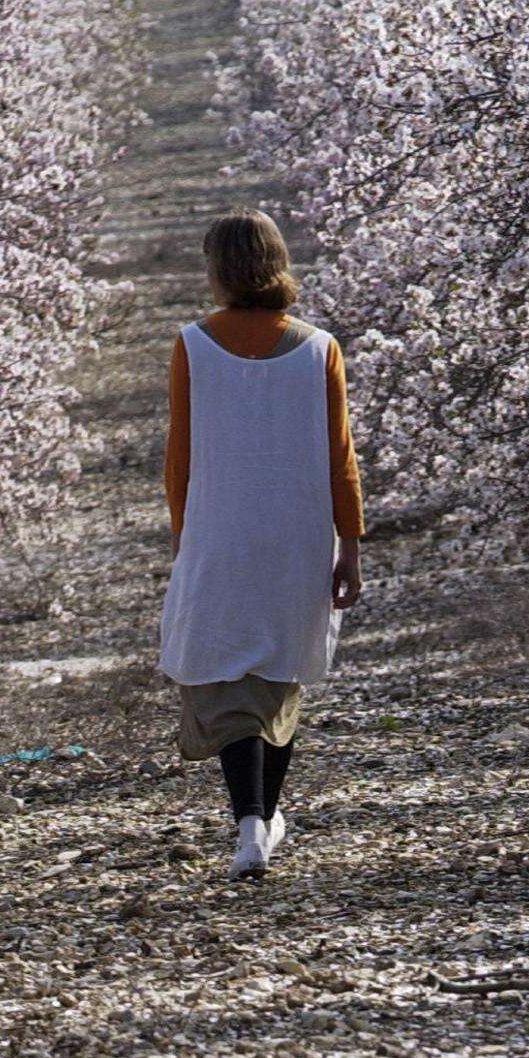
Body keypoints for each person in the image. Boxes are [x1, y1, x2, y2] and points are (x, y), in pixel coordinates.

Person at [159, 208, 364, 879]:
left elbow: (179, 458)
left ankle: (250, 822)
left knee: (225, 677)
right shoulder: (318, 347)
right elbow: (340, 459)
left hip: (218, 529)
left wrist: (184, 536)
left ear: (217, 269)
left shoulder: (193, 344)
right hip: (296, 531)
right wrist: (349, 545)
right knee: (278, 674)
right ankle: (261, 823)